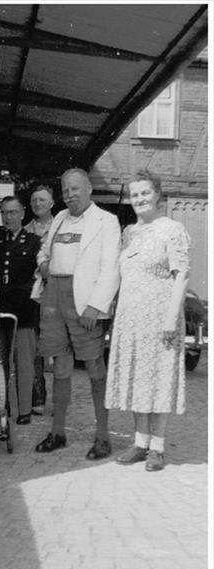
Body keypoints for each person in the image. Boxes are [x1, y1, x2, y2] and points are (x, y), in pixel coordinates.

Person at [105, 170, 190, 471]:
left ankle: (158, 447)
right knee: (136, 379)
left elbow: (181, 275)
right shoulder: (129, 233)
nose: (139, 199)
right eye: (134, 194)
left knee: (159, 379)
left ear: (157, 194)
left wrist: (170, 318)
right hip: (130, 318)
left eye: (144, 193)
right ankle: (140, 443)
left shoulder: (172, 229)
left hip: (160, 319)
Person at [35, 168, 121, 458]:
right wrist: (44, 265)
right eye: (65, 190)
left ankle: (103, 437)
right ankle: (58, 432)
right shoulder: (59, 218)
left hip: (84, 300)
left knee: (95, 367)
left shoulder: (106, 221)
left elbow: (111, 268)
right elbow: (43, 253)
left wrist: (96, 306)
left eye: (75, 188)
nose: (70, 194)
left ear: (89, 189)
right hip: (54, 296)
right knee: (59, 367)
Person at [0, 195, 41, 424]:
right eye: (4, 212)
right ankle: (0, 406)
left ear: (22, 213)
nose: (8, 217)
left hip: (23, 313)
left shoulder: (34, 243)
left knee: (24, 362)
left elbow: (36, 279)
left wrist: (10, 294)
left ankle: (24, 410)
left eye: (13, 212)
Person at [25, 184, 55, 415]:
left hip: (56, 293)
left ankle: (60, 400)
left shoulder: (62, 227)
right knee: (35, 346)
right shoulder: (26, 231)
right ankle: (38, 396)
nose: (38, 204)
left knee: (59, 347)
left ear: (52, 203)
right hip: (34, 295)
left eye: (42, 200)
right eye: (35, 200)